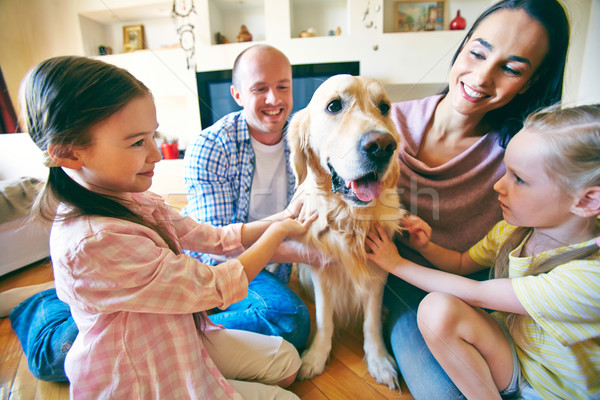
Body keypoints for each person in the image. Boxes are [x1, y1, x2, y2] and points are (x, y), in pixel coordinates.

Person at [13, 55, 318, 399]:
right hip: (142, 372)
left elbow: (214, 237)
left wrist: (281, 217)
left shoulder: (134, 198)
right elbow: (214, 284)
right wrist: (280, 233)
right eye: (137, 142)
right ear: (70, 155)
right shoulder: (94, 241)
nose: (157, 154)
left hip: (178, 331)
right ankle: (45, 314)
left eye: (153, 135)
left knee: (287, 363)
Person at [384, 0, 570, 398]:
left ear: (531, 82)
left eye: (512, 68)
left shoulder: (522, 154)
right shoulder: (385, 126)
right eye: (478, 52)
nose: (482, 77)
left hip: (489, 294)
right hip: (403, 286)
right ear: (462, 43)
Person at [368, 104, 600, 399]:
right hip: (515, 356)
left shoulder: (590, 277)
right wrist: (426, 247)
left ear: (587, 201)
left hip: (557, 389)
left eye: (519, 179)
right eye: (506, 172)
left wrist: (396, 263)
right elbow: (463, 263)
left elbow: (477, 292)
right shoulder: (515, 231)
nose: (498, 186)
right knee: (437, 310)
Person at [182, 44, 310, 350]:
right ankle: (170, 335)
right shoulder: (211, 145)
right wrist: (308, 254)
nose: (274, 99)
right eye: (260, 88)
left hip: (266, 270)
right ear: (237, 94)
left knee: (287, 319)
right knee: (288, 317)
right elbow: (216, 247)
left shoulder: (306, 142)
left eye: (283, 87)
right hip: (212, 268)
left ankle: (191, 322)